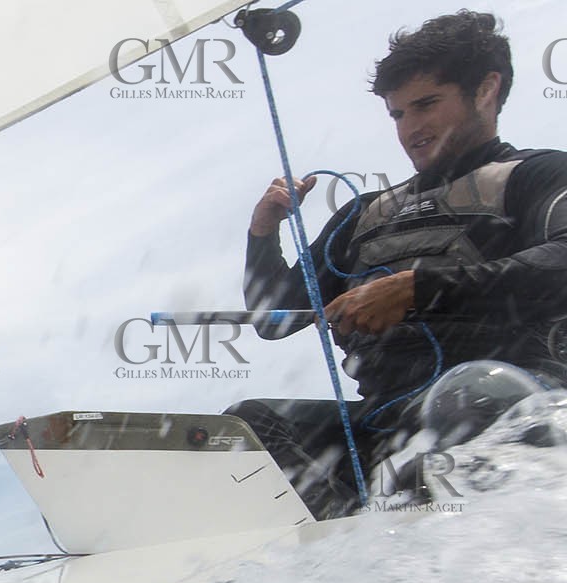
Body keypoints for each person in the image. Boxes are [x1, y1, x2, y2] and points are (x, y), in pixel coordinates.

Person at [227, 10, 567, 517]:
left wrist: (417, 289)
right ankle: (343, 547)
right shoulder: (364, 215)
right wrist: (262, 234)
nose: (411, 129)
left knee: (468, 393)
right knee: (246, 425)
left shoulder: (536, 174)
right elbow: (272, 319)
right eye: (397, 115)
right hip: (387, 425)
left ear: (486, 90)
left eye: (426, 105)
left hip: (508, 407)